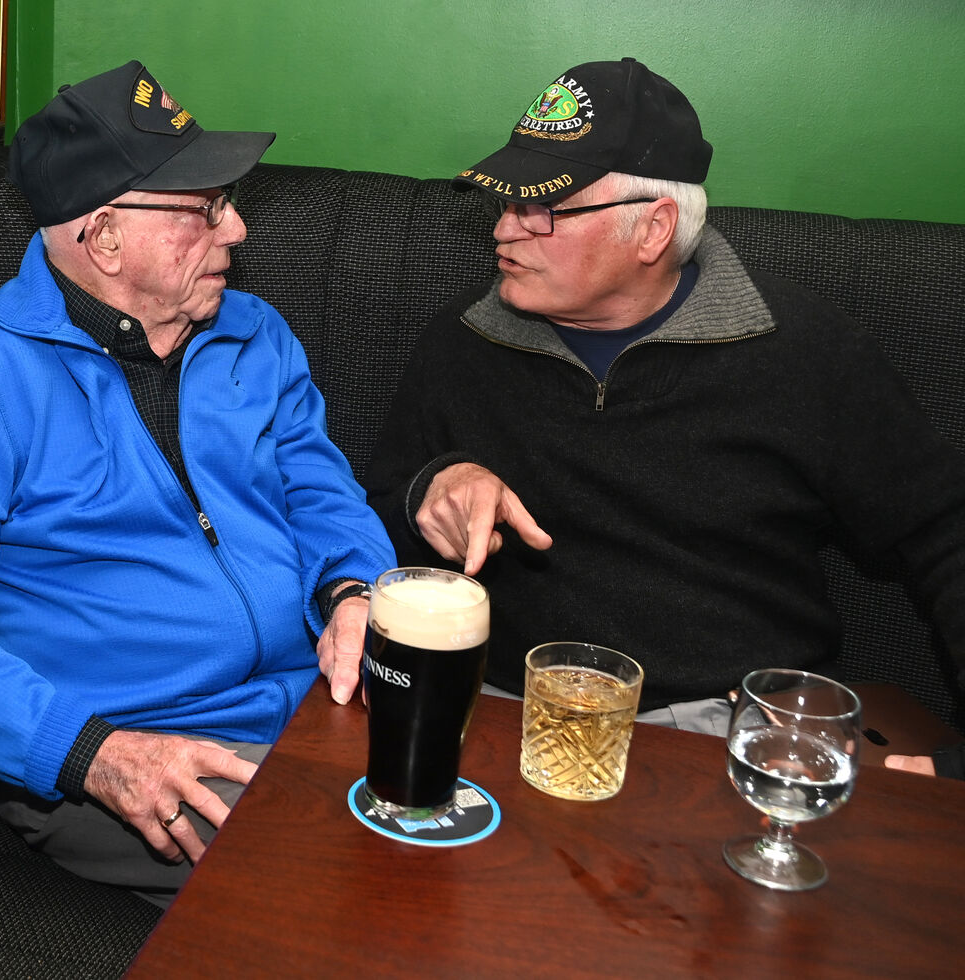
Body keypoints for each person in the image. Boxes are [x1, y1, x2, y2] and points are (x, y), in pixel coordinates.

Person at [0, 60, 395, 906]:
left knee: (501, 814)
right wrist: (93, 754)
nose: (239, 229)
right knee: (379, 886)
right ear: (103, 237)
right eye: (207, 208)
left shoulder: (256, 333)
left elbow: (320, 490)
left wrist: (354, 588)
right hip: (135, 750)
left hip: (312, 708)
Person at [364, 58, 965, 737]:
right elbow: (375, 512)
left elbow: (944, 530)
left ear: (652, 229)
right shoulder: (463, 340)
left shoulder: (802, 350)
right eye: (506, 204)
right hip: (505, 706)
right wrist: (430, 491)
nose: (505, 231)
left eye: (543, 211)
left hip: (726, 725)